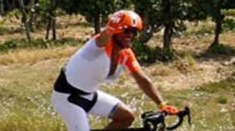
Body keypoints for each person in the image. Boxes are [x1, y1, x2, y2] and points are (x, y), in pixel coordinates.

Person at [51, 10, 180, 131]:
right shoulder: (98, 46)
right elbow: (104, 37)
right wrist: (110, 28)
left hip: (88, 95)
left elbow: (142, 79)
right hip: (66, 98)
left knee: (126, 117)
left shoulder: (126, 54)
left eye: (134, 32)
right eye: (126, 31)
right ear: (116, 31)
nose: (130, 35)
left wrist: (161, 104)